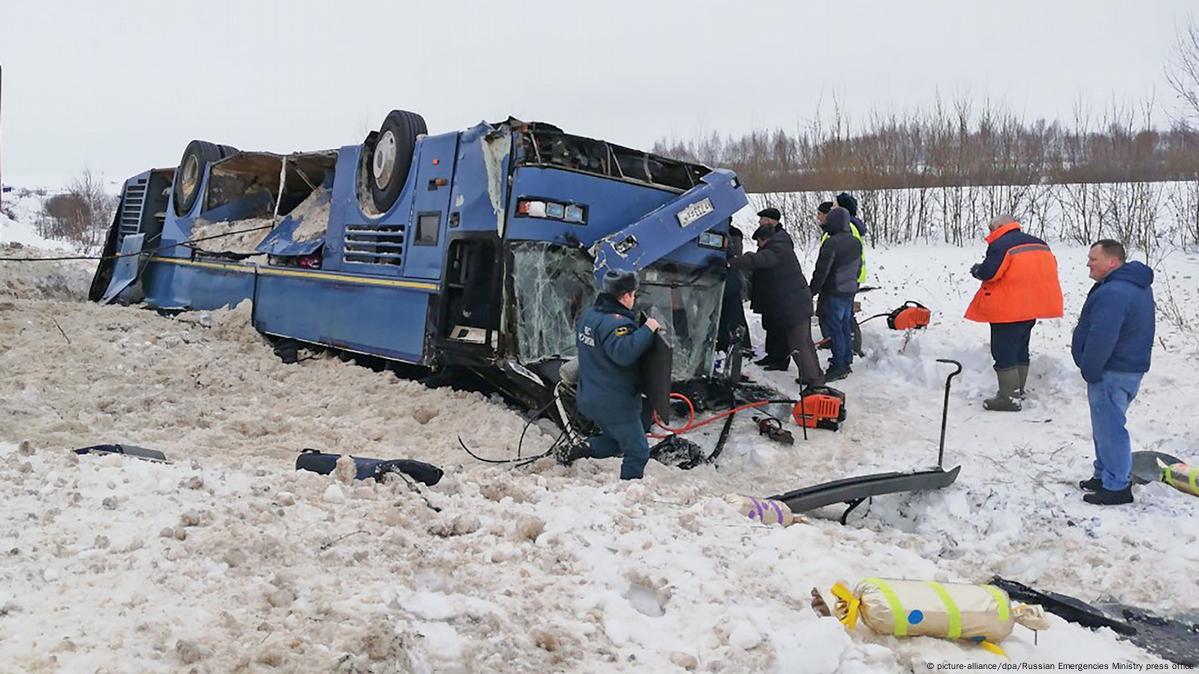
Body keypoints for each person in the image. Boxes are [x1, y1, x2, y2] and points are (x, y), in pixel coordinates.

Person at [1072, 240, 1155, 506]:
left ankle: (1118, 486)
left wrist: (1090, 368)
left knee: (1110, 429)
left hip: (1113, 369)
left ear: (1112, 262)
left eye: (1093, 259)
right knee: (1105, 426)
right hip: (1124, 367)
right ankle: (1104, 475)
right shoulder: (1127, 286)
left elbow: (1103, 336)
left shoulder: (1115, 293)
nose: (1088, 263)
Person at [964, 215, 1063, 411]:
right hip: (1034, 305)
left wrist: (977, 270)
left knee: (1003, 351)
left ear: (1001, 226)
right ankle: (1019, 391)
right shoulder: (1040, 243)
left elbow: (990, 272)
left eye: (992, 228)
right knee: (1020, 348)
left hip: (1008, 307)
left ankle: (1008, 398)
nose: (991, 233)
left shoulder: (1002, 244)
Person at [573, 269, 662, 480]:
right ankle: (627, 493)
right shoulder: (617, 323)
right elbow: (623, 353)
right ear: (626, 296)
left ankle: (584, 448)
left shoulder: (589, 316)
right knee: (638, 451)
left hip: (589, 396)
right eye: (633, 294)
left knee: (616, 441)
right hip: (615, 403)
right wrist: (648, 329)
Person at [731, 222, 825, 387]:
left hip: (794, 305)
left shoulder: (776, 250)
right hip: (799, 302)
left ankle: (815, 384)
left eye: (758, 243)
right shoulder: (781, 246)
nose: (758, 246)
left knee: (799, 344)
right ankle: (812, 376)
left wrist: (732, 262)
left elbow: (758, 260)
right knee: (805, 342)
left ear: (764, 240)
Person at [808, 206, 862, 381]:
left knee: (836, 329)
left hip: (834, 291)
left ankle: (839, 365)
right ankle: (846, 359)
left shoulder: (831, 243)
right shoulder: (855, 241)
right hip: (849, 291)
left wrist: (812, 291)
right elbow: (858, 267)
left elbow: (822, 270)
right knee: (845, 326)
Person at [749, 207, 788, 368]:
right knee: (769, 324)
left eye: (763, 219)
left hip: (777, 290)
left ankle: (780, 359)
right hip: (769, 290)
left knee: (778, 326)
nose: (759, 222)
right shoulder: (770, 236)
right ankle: (771, 355)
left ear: (771, 221)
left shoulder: (780, 239)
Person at [716, 225, 752, 356]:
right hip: (729, 282)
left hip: (728, 282)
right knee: (730, 315)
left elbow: (734, 259)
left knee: (731, 316)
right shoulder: (732, 234)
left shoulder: (730, 235)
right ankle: (732, 344)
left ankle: (739, 345)